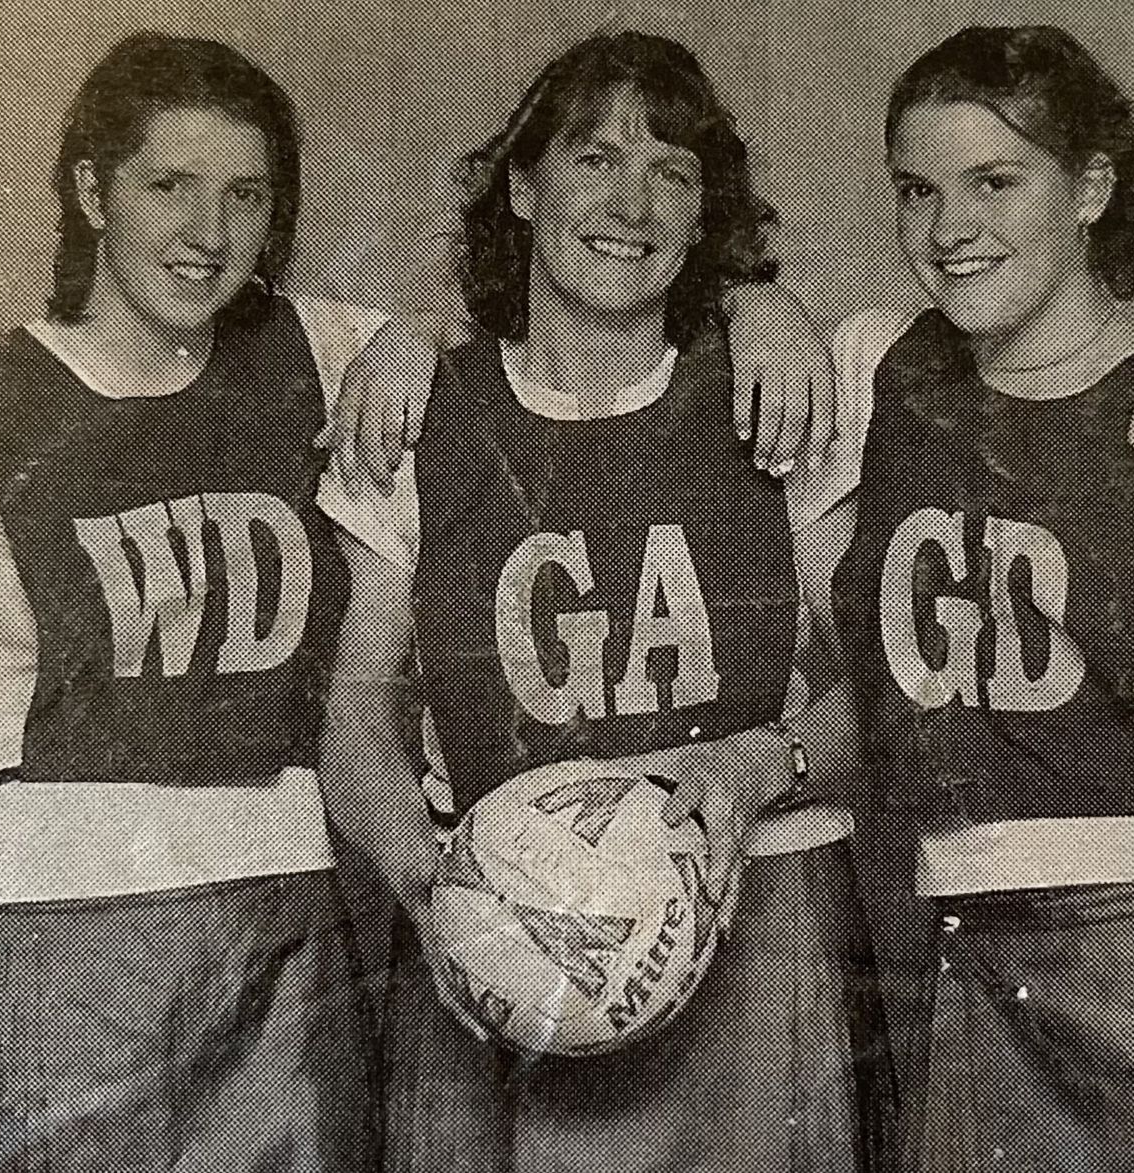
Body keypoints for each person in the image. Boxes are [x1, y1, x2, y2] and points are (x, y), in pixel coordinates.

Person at [319, 32, 892, 1173]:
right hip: (498, 929)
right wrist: (433, 893)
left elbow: (883, 698)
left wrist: (752, 765)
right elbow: (352, 724)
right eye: (594, 159)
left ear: (701, 219)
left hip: (753, 922)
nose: (632, 200)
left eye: (672, 173)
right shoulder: (422, 413)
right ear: (523, 189)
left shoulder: (772, 398)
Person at [0, 34, 390, 1173]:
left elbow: (508, 336)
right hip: (47, 946)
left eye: (245, 195)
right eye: (168, 187)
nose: (208, 234)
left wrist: (418, 349)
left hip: (274, 941)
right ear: (92, 190)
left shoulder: (321, 351)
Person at [826, 27, 1134, 1173]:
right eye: (916, 190)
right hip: (956, 917)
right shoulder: (873, 361)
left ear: (1087, 189)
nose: (948, 231)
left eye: (996, 182)